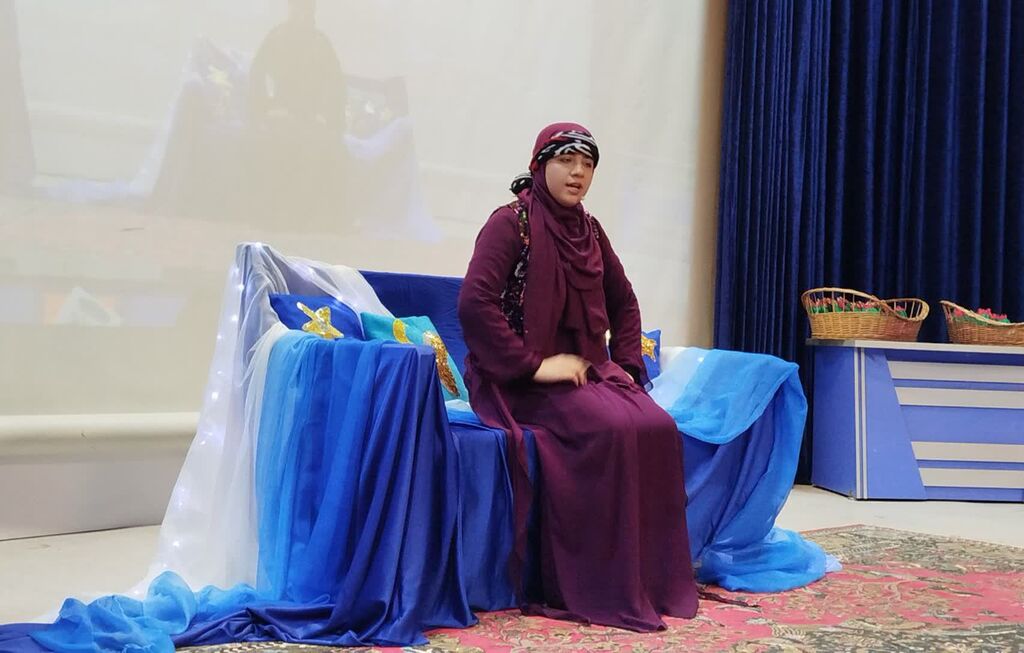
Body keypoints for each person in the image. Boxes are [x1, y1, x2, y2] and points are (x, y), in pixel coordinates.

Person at [457, 122, 699, 631]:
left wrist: (627, 367)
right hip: (518, 379)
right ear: (540, 165)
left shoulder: (589, 230)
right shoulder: (511, 223)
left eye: (587, 164)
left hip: (586, 368)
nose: (578, 173)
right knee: (609, 429)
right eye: (566, 160)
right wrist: (533, 365)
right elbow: (475, 303)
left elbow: (623, 300)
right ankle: (594, 583)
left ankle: (647, 581)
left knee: (658, 426)